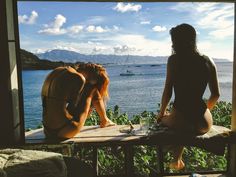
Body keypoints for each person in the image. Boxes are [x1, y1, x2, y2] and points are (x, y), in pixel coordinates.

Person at [156, 24, 220, 170]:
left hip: (181, 120)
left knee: (165, 121)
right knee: (183, 125)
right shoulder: (208, 61)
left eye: (174, 41)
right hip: (204, 122)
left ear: (178, 42)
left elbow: (168, 91)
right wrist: (205, 110)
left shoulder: (174, 60)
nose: (172, 44)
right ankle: (177, 160)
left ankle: (176, 160)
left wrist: (161, 114)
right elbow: (216, 94)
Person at [41, 63, 115, 139]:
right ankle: (104, 120)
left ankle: (105, 120)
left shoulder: (57, 71)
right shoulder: (78, 78)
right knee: (93, 89)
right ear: (92, 76)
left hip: (47, 131)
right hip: (65, 129)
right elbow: (74, 107)